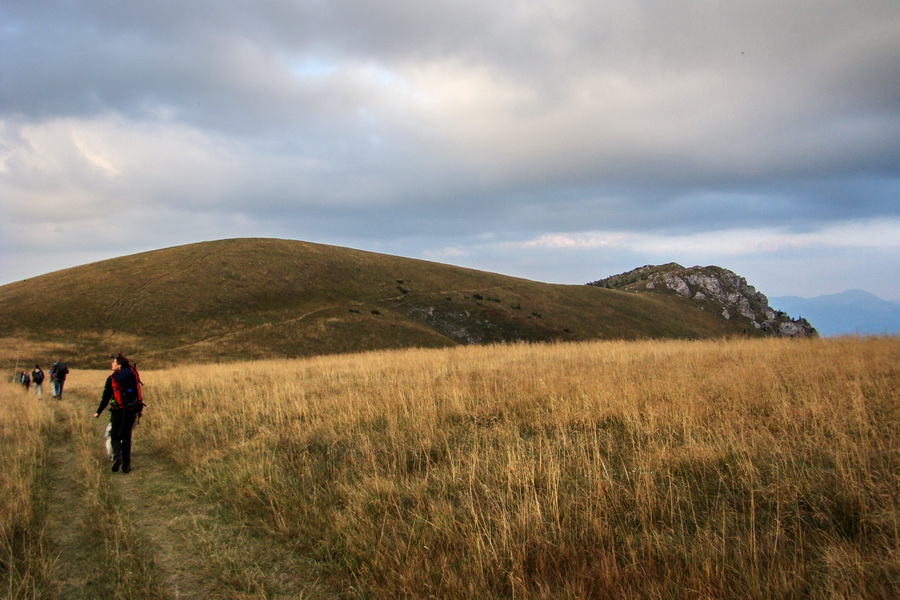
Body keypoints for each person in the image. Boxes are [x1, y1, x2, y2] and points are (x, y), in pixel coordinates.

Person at [93, 354, 144, 473]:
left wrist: (98, 412)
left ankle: (117, 456)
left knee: (115, 436)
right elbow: (137, 394)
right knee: (127, 438)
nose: (112, 364)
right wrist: (139, 409)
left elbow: (105, 398)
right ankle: (126, 466)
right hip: (131, 410)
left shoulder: (112, 379)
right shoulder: (133, 375)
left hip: (118, 411)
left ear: (119, 365)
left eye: (114, 362)